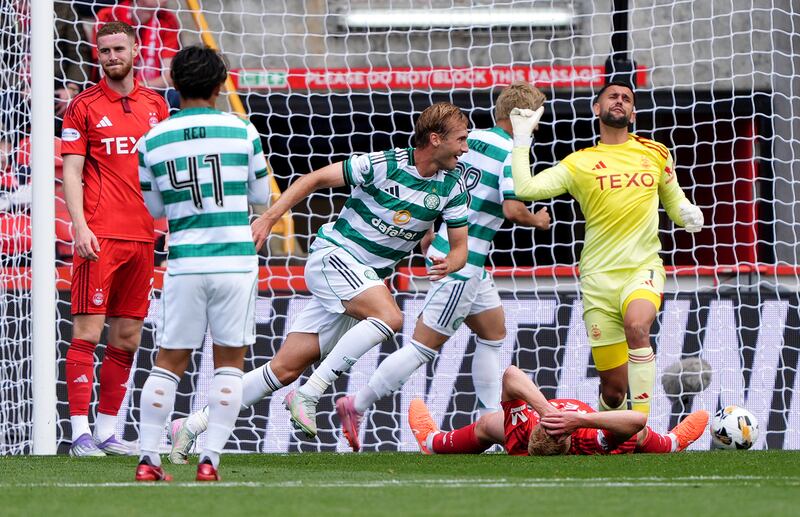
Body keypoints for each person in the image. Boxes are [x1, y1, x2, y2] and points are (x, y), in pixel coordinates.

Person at [167, 102, 470, 462]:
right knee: (389, 318)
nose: (465, 148)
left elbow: (460, 249)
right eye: (461, 139)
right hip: (334, 257)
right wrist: (269, 218)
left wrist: (448, 262)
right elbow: (313, 180)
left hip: (361, 281)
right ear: (435, 140)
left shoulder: (452, 186)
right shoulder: (382, 164)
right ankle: (310, 394)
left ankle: (192, 424)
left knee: (283, 369)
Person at [335, 82, 552, 451]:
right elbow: (513, 209)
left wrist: (429, 228)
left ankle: (492, 419)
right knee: (423, 347)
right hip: (461, 264)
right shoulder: (512, 154)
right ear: (524, 119)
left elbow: (438, 179)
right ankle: (357, 404)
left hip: (457, 254)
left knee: (493, 333)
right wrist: (538, 220)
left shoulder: (469, 139)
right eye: (536, 119)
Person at [508, 81, 704, 415]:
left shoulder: (655, 153)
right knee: (613, 393)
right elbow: (525, 187)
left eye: (627, 98)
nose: (620, 101)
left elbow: (676, 204)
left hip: (642, 269)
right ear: (597, 109)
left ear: (633, 113)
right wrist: (522, 140)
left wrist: (689, 213)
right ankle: (609, 430)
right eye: (612, 96)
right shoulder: (579, 163)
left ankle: (640, 428)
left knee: (638, 326)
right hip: (598, 280)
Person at [134, 45, 269, 482]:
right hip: (234, 261)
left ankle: (148, 460)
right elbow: (262, 197)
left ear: (173, 84)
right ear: (220, 83)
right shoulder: (242, 131)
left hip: (185, 262)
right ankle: (210, 459)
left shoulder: (150, 140)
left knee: (168, 361)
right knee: (230, 363)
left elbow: (154, 208)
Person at [61, 20, 169, 457]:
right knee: (87, 333)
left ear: (134, 51)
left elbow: (164, 172)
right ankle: (79, 433)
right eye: (104, 50)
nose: (111, 57)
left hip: (143, 238)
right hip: (99, 236)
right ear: (97, 55)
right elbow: (71, 171)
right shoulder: (82, 107)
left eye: (118, 49)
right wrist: (80, 226)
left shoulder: (156, 106)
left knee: (127, 337)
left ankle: (107, 431)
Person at [408, 365, 709, 456]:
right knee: (637, 433)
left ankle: (434, 442)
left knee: (489, 424)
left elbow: (512, 374)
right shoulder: (588, 439)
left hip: (539, 424)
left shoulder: (524, 431)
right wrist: (581, 419)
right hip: (585, 421)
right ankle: (670, 444)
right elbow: (637, 419)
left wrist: (543, 410)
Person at [94, 0, 180, 104]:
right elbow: (105, 71)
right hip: (111, 91)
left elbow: (169, 77)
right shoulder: (109, 16)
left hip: (151, 91)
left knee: (174, 95)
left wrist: (137, 87)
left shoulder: (167, 20)